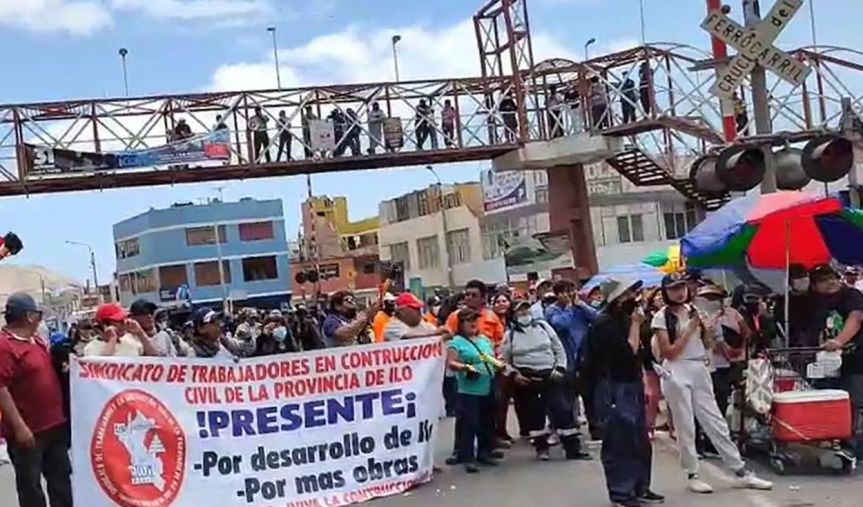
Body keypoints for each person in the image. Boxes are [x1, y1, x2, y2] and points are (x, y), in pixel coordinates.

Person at [652, 272, 772, 494]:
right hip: (677, 370)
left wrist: (709, 330)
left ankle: (739, 470)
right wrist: (689, 329)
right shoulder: (662, 317)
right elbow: (669, 352)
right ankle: (692, 473)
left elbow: (708, 343)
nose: (679, 293)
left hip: (700, 367)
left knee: (714, 420)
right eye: (673, 289)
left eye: (682, 287)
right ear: (666, 292)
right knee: (685, 424)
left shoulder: (695, 310)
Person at [586, 278, 663, 507]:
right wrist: (637, 325)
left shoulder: (625, 320)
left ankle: (641, 486)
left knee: (639, 439)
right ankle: (621, 492)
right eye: (626, 294)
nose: (632, 298)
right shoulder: (605, 324)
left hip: (631, 384)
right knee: (620, 440)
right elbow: (627, 353)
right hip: (613, 387)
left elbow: (640, 355)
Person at [0, 293, 72, 507]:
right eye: (38, 314)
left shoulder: (36, 341)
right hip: (29, 431)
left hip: (54, 427)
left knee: (61, 481)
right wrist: (20, 428)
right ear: (28, 316)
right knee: (31, 487)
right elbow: (1, 388)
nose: (40, 319)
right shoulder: (5, 346)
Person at [503, 299, 589, 461]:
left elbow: (558, 348)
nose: (524, 314)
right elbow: (504, 361)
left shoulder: (543, 327)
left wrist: (560, 368)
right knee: (535, 415)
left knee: (563, 411)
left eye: (526, 310)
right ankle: (541, 448)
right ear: (513, 315)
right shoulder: (510, 336)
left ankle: (572, 449)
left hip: (550, 376)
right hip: (528, 380)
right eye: (520, 311)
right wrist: (515, 375)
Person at [809, 263, 863, 459]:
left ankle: (852, 444)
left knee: (853, 401)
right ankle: (834, 439)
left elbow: (856, 318)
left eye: (832, 277)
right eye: (823, 280)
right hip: (826, 361)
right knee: (828, 399)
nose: (830, 282)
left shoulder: (851, 296)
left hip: (855, 357)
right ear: (815, 286)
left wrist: (839, 341)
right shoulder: (816, 301)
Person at [447, 309, 501, 473]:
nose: (472, 323)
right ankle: (467, 456)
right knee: (470, 423)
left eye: (475, 320)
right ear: (461, 324)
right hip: (468, 389)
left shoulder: (483, 339)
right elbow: (451, 363)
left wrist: (498, 364)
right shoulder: (456, 342)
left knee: (487, 421)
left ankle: (485, 452)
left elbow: (485, 357)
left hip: (487, 384)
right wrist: (466, 367)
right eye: (468, 320)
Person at [545, 279, 598, 432]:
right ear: (557, 294)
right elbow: (560, 325)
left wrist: (581, 305)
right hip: (565, 359)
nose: (569, 295)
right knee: (567, 398)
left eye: (571, 290)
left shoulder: (580, 307)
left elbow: (596, 318)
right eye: (565, 292)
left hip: (584, 357)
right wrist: (568, 308)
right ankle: (566, 428)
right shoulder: (552, 310)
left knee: (590, 396)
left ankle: (596, 428)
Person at [84, 303, 157, 357]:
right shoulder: (92, 348)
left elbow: (155, 358)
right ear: (104, 324)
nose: (124, 323)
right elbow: (101, 367)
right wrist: (112, 340)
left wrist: (141, 333)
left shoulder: (130, 339)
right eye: (119, 320)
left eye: (124, 319)